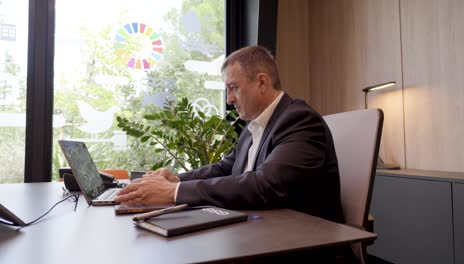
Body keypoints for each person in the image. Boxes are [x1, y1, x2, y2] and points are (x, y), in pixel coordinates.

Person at [114, 45, 344, 224]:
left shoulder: (299, 120)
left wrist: (173, 192)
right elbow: (224, 168)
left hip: (303, 241)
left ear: (262, 82)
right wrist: (176, 180)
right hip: (264, 228)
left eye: (233, 87)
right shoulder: (254, 127)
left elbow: (267, 185)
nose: (229, 99)